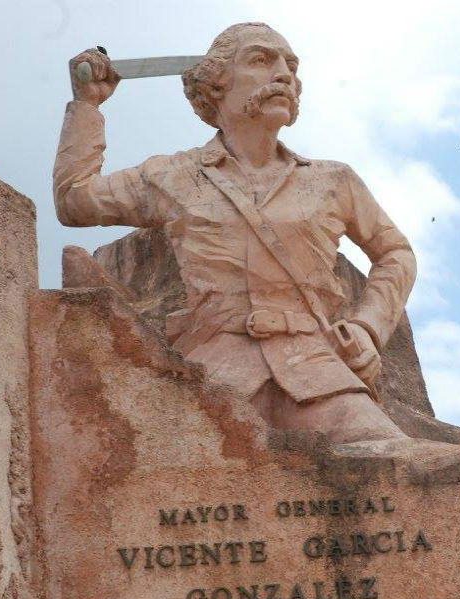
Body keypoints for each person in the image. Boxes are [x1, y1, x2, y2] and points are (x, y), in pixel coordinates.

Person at [54, 23, 415, 444]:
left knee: (396, 463)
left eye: (291, 66)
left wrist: (368, 328)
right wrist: (88, 106)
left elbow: (396, 253)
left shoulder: (334, 180)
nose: (284, 75)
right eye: (262, 60)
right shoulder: (170, 176)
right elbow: (75, 201)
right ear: (215, 83)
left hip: (317, 370)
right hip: (215, 374)